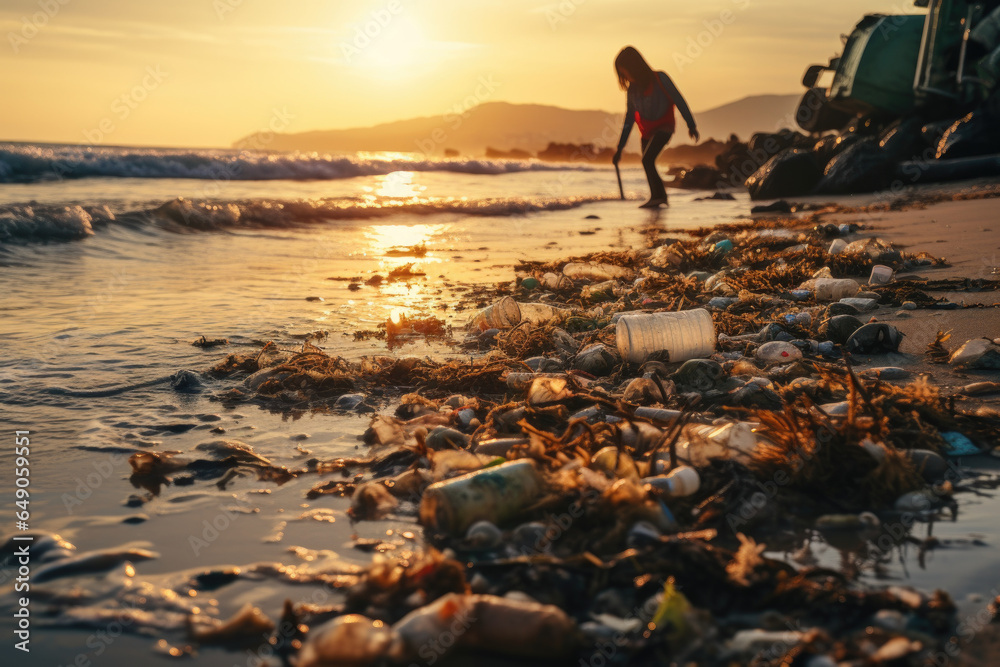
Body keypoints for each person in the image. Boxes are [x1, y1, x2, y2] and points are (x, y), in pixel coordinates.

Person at [612, 46, 699, 208]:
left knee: (647, 160)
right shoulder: (632, 90)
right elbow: (629, 118)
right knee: (647, 162)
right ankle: (657, 197)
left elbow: (679, 99)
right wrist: (619, 148)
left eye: (625, 72)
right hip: (646, 131)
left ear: (634, 67)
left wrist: (691, 124)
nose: (625, 77)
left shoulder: (660, 78)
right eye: (622, 74)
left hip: (665, 126)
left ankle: (659, 197)